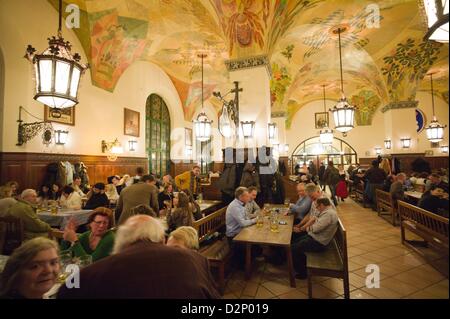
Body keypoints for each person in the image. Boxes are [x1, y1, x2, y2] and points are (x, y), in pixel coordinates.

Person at [57, 215, 220, 299]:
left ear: (119, 243)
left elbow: (66, 291)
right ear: (162, 239)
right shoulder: (196, 259)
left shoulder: (93, 273)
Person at [291, 197, 338, 279]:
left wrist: (302, 229)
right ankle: (300, 266)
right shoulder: (326, 211)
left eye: (317, 206)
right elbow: (314, 221)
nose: (316, 208)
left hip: (319, 242)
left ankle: (302, 273)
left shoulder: (328, 214)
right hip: (315, 237)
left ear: (322, 205)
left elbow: (315, 229)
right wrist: (305, 228)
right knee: (294, 241)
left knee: (294, 248)